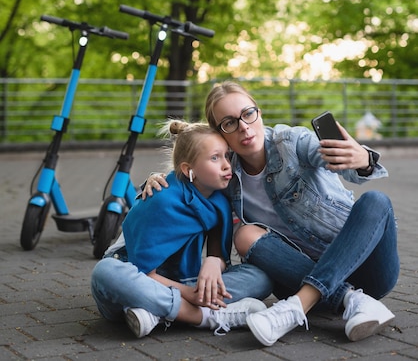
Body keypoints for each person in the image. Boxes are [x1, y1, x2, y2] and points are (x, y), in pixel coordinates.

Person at [144, 81, 399, 346]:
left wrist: (364, 160)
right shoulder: (225, 172)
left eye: (248, 113)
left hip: (365, 268)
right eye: (230, 123)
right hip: (296, 276)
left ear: (259, 111)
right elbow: (190, 178)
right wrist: (155, 180)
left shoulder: (292, 142)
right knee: (244, 236)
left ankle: (298, 307)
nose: (243, 126)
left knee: (376, 201)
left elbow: (337, 160)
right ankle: (352, 300)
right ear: (221, 134)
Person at [91, 119, 273, 340]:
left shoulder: (218, 201)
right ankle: (206, 317)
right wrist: (188, 294)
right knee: (105, 272)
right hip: (137, 281)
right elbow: (144, 273)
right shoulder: (162, 200)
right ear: (189, 170)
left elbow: (219, 256)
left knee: (261, 277)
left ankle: (154, 314)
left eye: (226, 155)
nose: (227, 165)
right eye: (215, 158)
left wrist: (213, 263)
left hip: (181, 281)